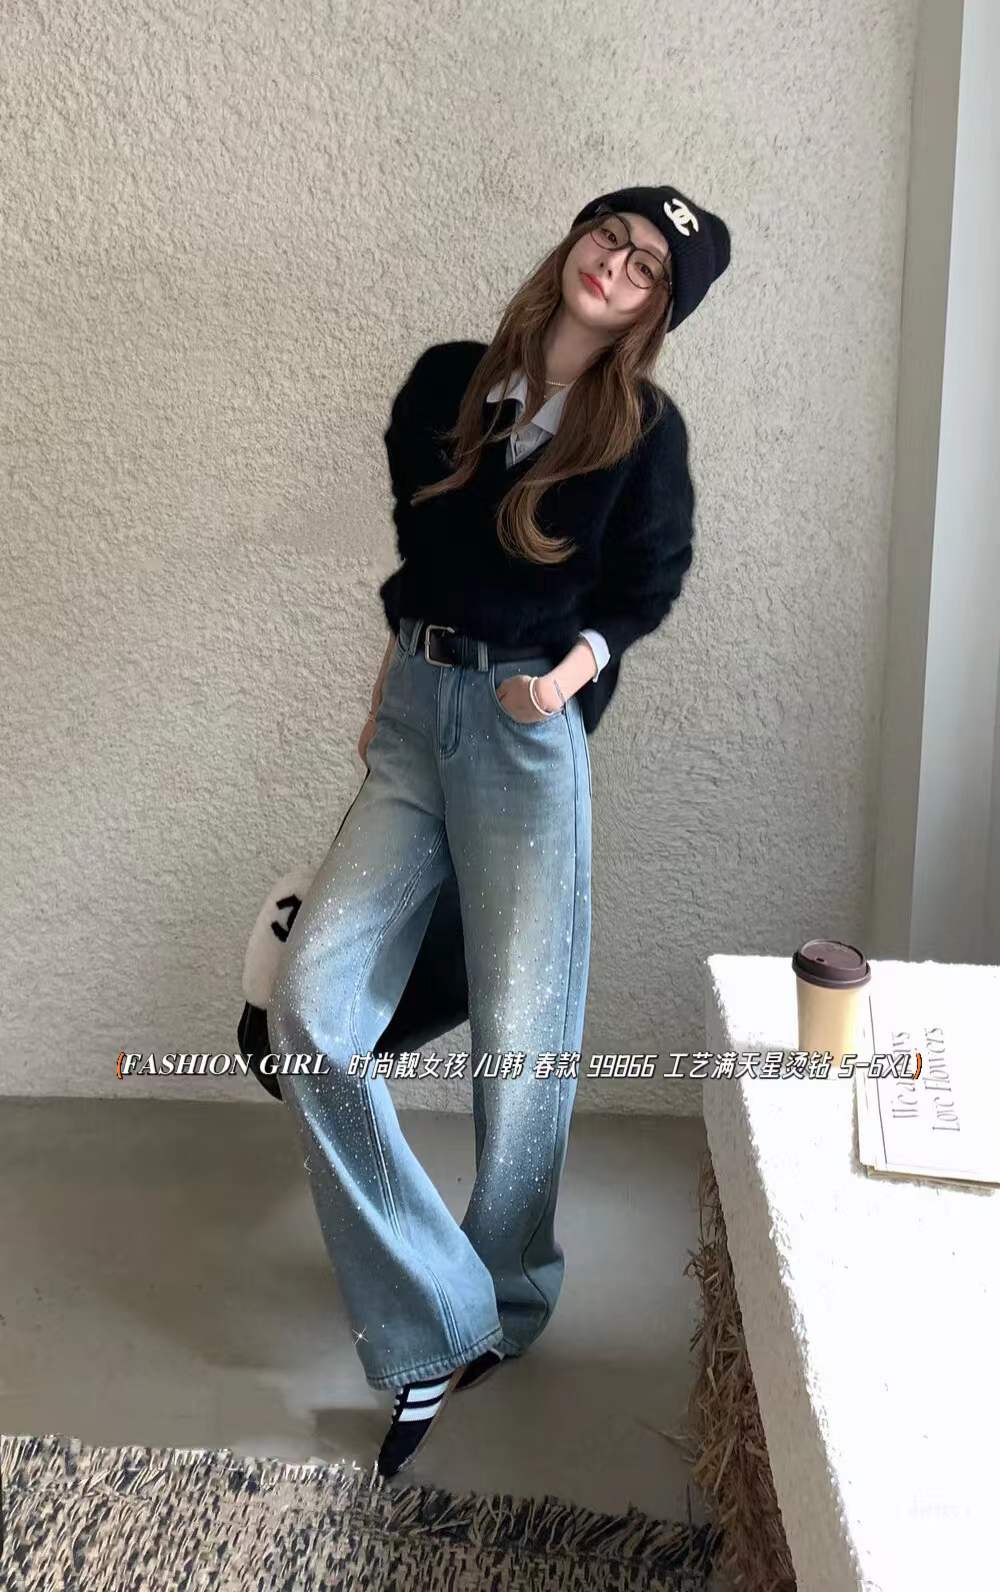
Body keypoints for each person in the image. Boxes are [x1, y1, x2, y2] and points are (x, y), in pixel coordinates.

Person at [267, 182, 731, 1480]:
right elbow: (423, 551)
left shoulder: (643, 433)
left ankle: (510, 1294)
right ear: (577, 240)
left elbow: (646, 583)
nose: (617, 268)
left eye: (648, 270)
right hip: (419, 713)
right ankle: (438, 1310)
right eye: (611, 238)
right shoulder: (448, 383)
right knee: (313, 1008)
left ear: (658, 310)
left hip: (528, 728)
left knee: (525, 1031)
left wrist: (570, 675)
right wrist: (390, 683)